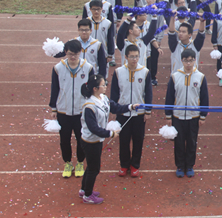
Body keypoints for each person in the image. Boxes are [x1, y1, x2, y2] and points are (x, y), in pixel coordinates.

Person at [80, 74, 138, 204]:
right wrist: (110, 134)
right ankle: (87, 195)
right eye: (103, 85)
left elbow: (116, 107)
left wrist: (131, 106)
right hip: (90, 142)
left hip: (96, 140)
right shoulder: (89, 106)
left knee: (91, 167)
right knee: (94, 169)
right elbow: (93, 128)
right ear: (95, 88)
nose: (106, 86)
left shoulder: (103, 98)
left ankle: (84, 189)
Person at [49, 40, 94, 178]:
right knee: (64, 139)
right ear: (65, 52)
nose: (72, 57)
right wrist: (53, 108)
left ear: (80, 52)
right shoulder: (58, 68)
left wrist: (92, 106)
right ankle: (67, 163)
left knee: (82, 139)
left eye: (75, 54)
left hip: (81, 111)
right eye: (69, 54)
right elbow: (54, 88)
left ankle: (80, 162)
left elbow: (92, 89)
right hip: (63, 110)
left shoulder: (88, 68)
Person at [165, 49, 209, 178]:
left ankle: (189, 165)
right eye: (185, 61)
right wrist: (168, 115)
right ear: (182, 61)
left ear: (195, 60)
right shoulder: (175, 76)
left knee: (191, 142)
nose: (188, 63)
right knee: (178, 142)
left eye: (191, 60)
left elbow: (204, 97)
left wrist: (203, 116)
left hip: (194, 116)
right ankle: (180, 166)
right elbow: (169, 97)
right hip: (177, 115)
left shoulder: (200, 77)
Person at [110, 44, 152, 177]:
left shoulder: (145, 72)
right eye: (132, 57)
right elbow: (114, 94)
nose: (134, 59)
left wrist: (148, 111)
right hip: (123, 113)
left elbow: (148, 93)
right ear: (126, 57)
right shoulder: (118, 72)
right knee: (124, 140)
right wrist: (115, 110)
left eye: (137, 56)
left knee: (138, 140)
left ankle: (135, 165)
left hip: (139, 114)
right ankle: (124, 165)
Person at [87, 0, 115, 69]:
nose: (96, 11)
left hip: (103, 52)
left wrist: (110, 54)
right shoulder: (86, 22)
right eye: (94, 9)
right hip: (88, 52)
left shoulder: (107, 23)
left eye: (98, 9)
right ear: (90, 9)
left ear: (102, 9)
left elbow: (110, 39)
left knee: (103, 73)